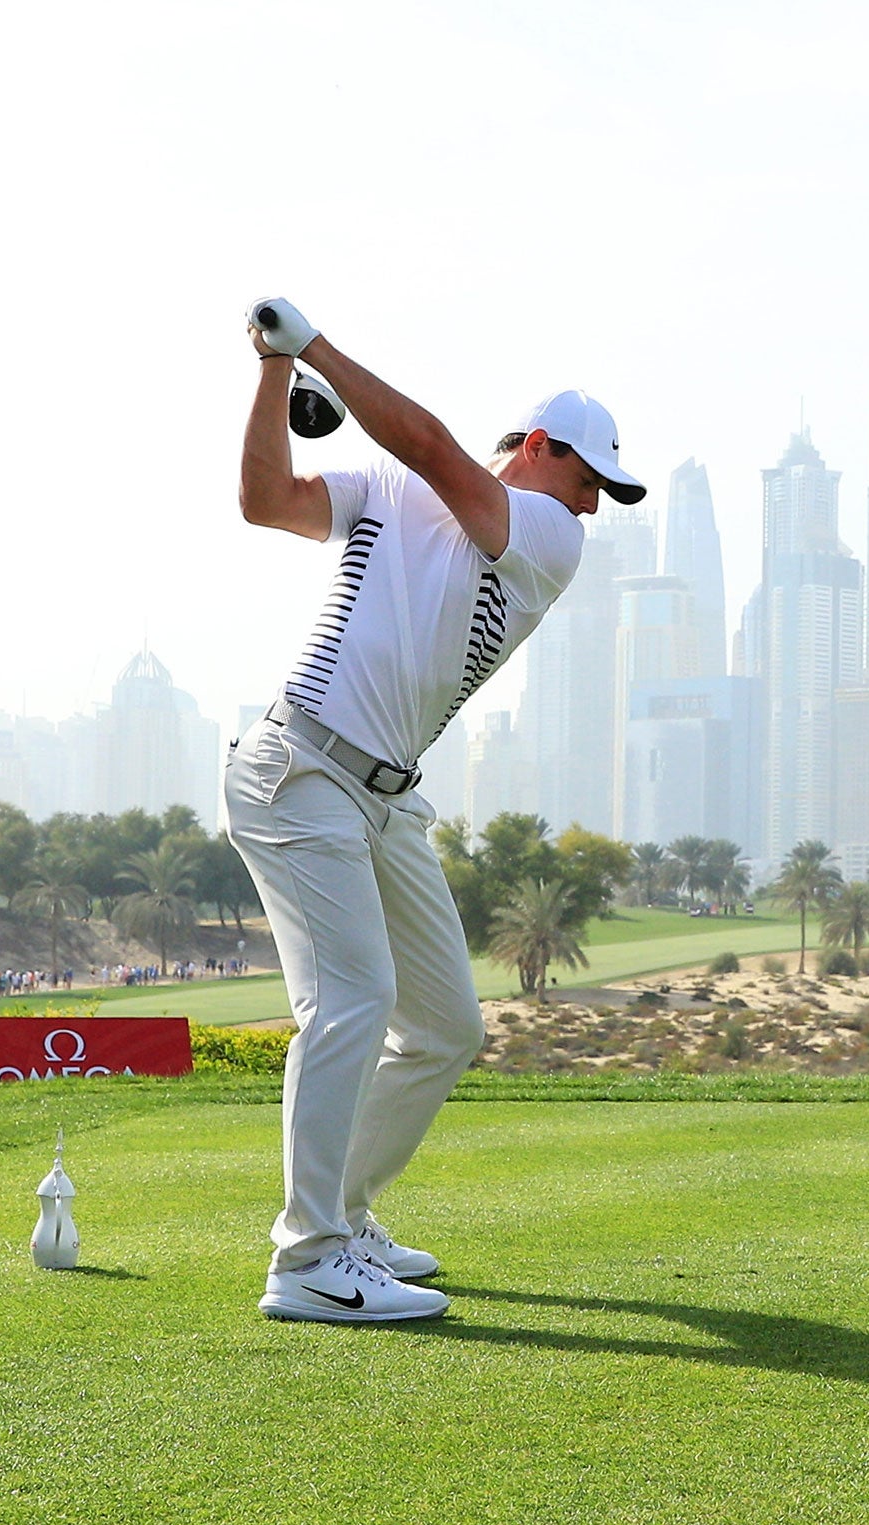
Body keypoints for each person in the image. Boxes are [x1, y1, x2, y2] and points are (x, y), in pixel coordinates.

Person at [229, 296, 644, 1324]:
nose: (593, 505)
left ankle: (346, 1213)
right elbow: (264, 500)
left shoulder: (546, 538)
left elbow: (430, 446)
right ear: (541, 447)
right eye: (588, 478)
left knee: (444, 1027)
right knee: (353, 1002)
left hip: (387, 798)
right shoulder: (384, 490)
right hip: (300, 769)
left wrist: (311, 344)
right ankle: (307, 1259)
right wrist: (274, 373)